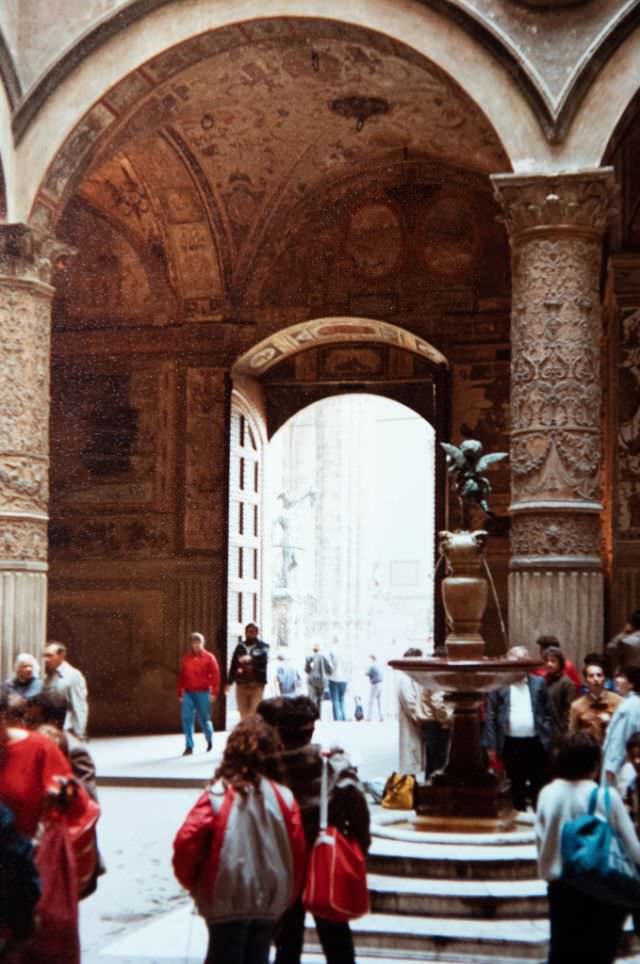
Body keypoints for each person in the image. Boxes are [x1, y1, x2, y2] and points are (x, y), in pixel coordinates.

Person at [172, 715, 305, 964]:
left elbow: (186, 843)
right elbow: (296, 853)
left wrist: (196, 884)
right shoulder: (284, 798)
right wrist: (286, 896)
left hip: (225, 900)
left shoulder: (218, 795)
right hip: (269, 902)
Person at [257, 696, 370, 964]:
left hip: (283, 862)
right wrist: (359, 847)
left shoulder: (266, 769)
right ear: (311, 731)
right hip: (323, 860)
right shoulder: (332, 764)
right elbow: (358, 808)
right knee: (336, 938)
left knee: (287, 940)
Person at [535, 732, 640, 964]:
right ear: (594, 764)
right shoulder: (606, 796)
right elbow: (633, 849)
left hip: (562, 887)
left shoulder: (547, 794)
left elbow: (541, 842)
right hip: (604, 887)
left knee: (563, 953)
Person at [483, 646, 552, 811]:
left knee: (539, 782)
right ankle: (519, 817)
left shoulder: (538, 683)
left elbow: (548, 711)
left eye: (523, 661)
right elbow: (491, 715)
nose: (520, 665)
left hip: (536, 741)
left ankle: (539, 817)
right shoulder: (499, 684)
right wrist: (491, 745)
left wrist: (547, 732)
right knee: (516, 782)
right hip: (511, 742)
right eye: (516, 661)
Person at [25, 690, 98, 801]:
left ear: (53, 723)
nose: (26, 727)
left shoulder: (75, 751)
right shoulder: (31, 744)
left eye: (32, 722)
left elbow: (89, 802)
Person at [177, 632, 220, 756]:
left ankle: (209, 738)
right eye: (193, 643)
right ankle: (189, 746)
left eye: (198, 643)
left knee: (204, 719)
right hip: (188, 692)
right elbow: (182, 676)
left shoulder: (209, 657)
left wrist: (214, 692)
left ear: (202, 643)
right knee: (186, 718)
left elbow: (216, 675)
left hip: (203, 692)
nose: (195, 645)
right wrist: (180, 692)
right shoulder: (186, 658)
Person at [602, 661, 640, 786]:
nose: (617, 680)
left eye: (622, 677)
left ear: (632, 683)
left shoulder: (630, 706)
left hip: (619, 767)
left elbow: (621, 739)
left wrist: (612, 766)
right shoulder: (629, 702)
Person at [41, 641, 88, 739]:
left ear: (61, 656)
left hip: (66, 730)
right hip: (50, 729)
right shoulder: (48, 677)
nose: (46, 659)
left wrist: (79, 733)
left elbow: (79, 706)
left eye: (50, 656)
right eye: (44, 656)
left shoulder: (73, 676)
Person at [569, 660, 622, 745]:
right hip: (587, 751)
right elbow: (572, 735)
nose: (596, 679)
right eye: (591, 676)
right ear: (586, 680)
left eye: (599, 675)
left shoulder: (619, 701)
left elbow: (625, 729)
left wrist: (611, 722)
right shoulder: (576, 705)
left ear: (604, 678)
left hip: (611, 748)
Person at [227, 623, 269, 720]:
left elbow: (262, 656)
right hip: (241, 684)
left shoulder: (263, 646)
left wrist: (250, 658)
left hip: (256, 685)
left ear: (257, 632)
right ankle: (246, 733)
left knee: (255, 711)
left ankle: (254, 733)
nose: (249, 634)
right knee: (243, 713)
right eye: (247, 632)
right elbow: (234, 664)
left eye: (252, 632)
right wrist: (229, 682)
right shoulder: (240, 647)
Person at [543, 647, 576, 742]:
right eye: (547, 661)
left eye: (553, 661)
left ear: (560, 663)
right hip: (545, 731)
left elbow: (570, 711)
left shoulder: (567, 683)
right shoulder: (543, 681)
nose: (549, 664)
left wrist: (564, 732)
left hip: (559, 733)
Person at [304, 644, 333, 711]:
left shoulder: (309, 657)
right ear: (319, 650)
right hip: (322, 681)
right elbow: (330, 670)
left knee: (312, 698)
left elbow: (306, 670)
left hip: (312, 680)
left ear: (313, 650)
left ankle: (312, 714)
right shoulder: (324, 657)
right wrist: (327, 675)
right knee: (320, 699)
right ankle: (318, 715)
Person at [328, 639, 349, 722]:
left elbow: (330, 666)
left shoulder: (332, 651)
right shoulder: (346, 652)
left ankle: (337, 718)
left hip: (334, 678)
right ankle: (343, 717)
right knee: (342, 698)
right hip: (344, 679)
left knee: (335, 699)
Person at [365, 654, 383, 721]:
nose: (368, 660)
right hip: (381, 683)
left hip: (375, 684)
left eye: (369, 659)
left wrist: (367, 668)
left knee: (371, 701)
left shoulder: (372, 666)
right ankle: (381, 717)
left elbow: (366, 673)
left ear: (372, 659)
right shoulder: (379, 665)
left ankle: (369, 717)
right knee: (379, 702)